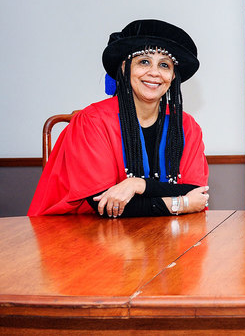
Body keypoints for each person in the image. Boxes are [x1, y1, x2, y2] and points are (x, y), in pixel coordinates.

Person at [29, 19, 210, 218]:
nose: (154, 72)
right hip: (81, 233)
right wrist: (181, 203)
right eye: (144, 61)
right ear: (124, 67)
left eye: (165, 65)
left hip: (160, 235)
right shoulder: (92, 122)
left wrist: (138, 185)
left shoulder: (186, 126)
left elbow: (197, 192)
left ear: (173, 76)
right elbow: (104, 205)